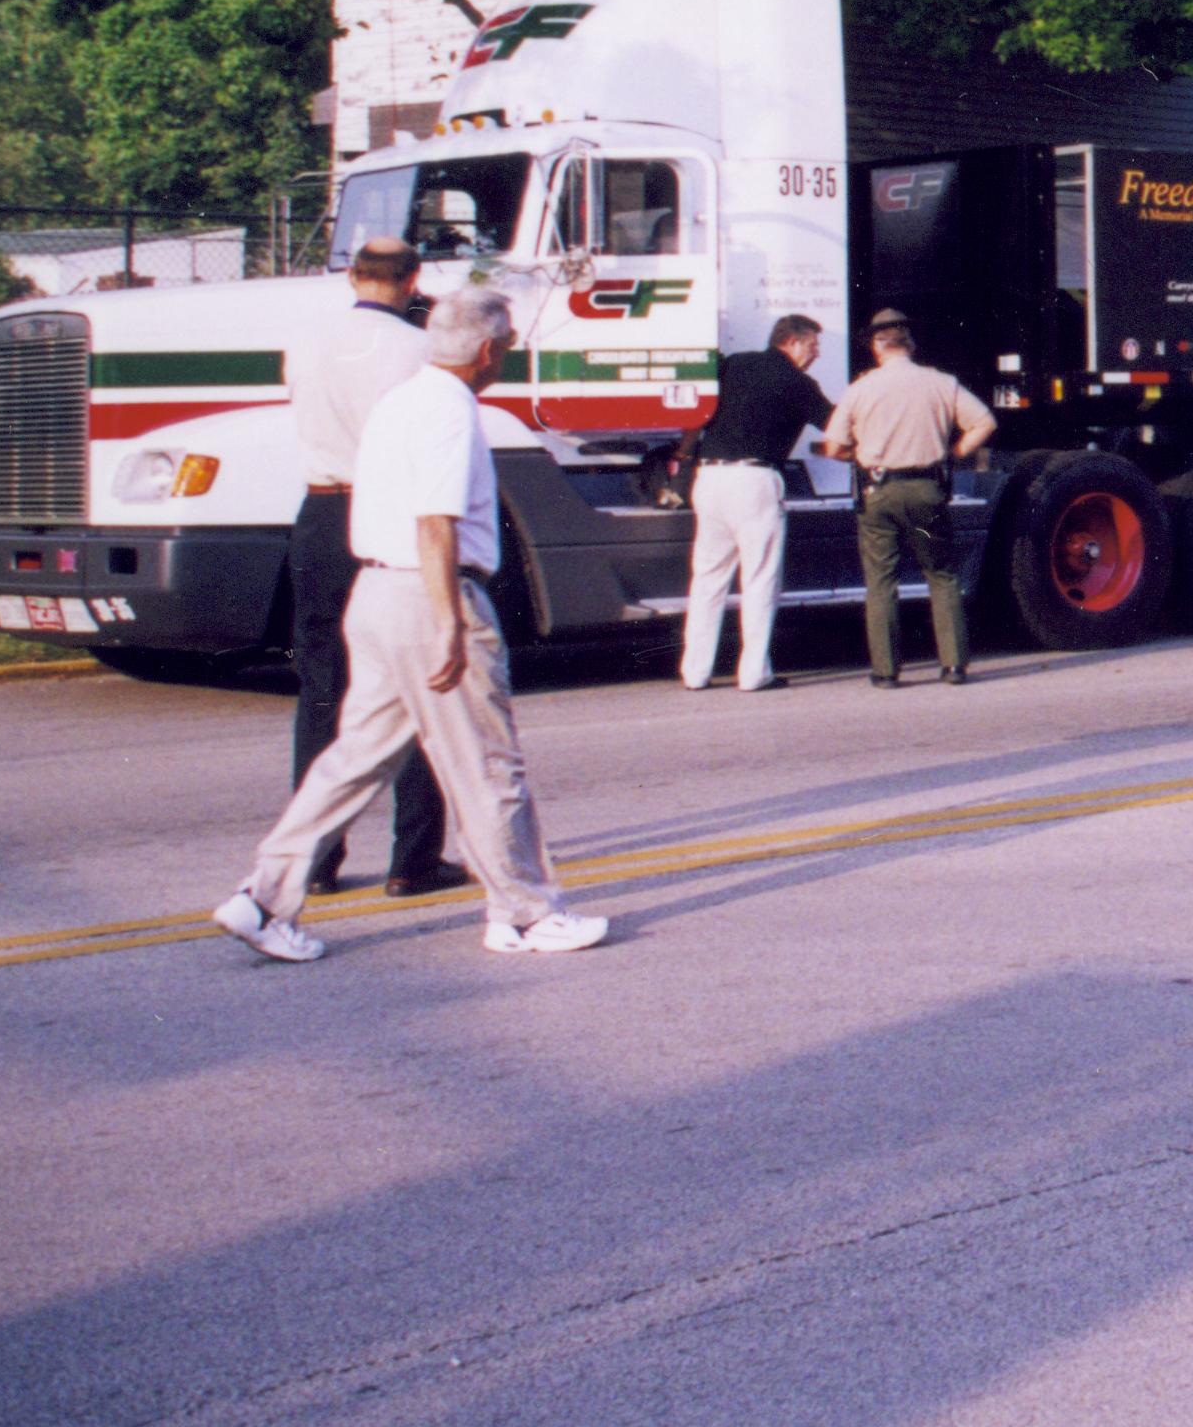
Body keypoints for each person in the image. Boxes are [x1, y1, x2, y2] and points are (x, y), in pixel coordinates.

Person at [213, 288, 608, 963]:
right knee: (487, 761)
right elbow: (435, 520)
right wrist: (451, 622)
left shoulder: (400, 400)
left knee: (355, 759)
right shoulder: (452, 412)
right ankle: (526, 912)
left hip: (375, 591)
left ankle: (264, 896)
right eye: (508, 344)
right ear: (490, 352)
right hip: (432, 595)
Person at [281, 236, 460, 900]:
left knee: (321, 688)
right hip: (387, 517)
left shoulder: (308, 342)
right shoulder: (419, 351)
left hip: (322, 513)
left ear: (352, 276)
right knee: (416, 683)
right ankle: (413, 856)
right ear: (413, 279)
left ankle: (317, 856)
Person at [821, 310, 998, 685]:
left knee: (881, 581)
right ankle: (953, 665)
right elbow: (985, 422)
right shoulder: (940, 383)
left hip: (879, 493)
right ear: (910, 344)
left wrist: (862, 454)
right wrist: (956, 451)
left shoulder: (860, 389)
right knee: (941, 574)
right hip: (926, 492)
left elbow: (834, 447)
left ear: (876, 345)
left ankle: (886, 671)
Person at [678, 313, 833, 692]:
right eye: (813, 345)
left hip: (709, 478)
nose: (816, 353)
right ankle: (753, 673)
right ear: (793, 341)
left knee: (708, 579)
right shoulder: (798, 382)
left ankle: (695, 672)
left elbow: (697, 413)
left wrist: (683, 456)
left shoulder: (734, 365)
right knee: (760, 578)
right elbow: (836, 424)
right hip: (754, 481)